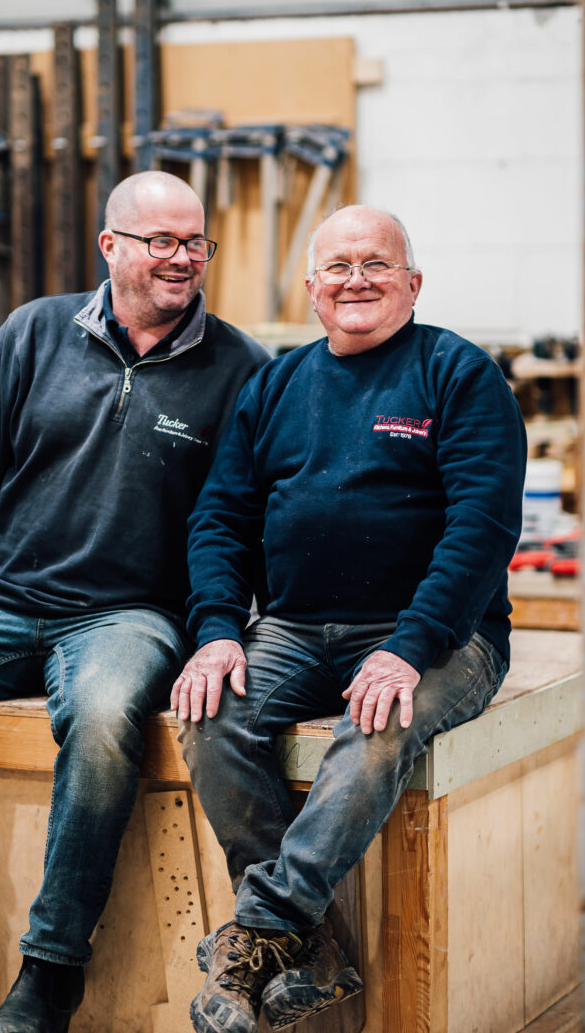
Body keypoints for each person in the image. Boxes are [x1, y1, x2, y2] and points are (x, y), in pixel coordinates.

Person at [0, 170, 269, 1033]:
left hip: (132, 614)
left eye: (194, 241)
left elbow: (249, 519)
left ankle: (52, 970)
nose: (182, 258)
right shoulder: (35, 332)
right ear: (111, 246)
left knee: (101, 714)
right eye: (160, 241)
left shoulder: (240, 368)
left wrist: (221, 629)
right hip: (2, 598)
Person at [172, 205, 527, 1033]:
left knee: (376, 725)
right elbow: (218, 517)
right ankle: (312, 945)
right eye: (337, 266)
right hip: (295, 628)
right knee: (208, 708)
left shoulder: (458, 373)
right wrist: (219, 629)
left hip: (436, 631)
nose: (356, 278)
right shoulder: (276, 383)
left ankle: (259, 929)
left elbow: (482, 526)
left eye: (376, 263)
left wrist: (410, 647)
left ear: (413, 283)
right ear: (311, 288)